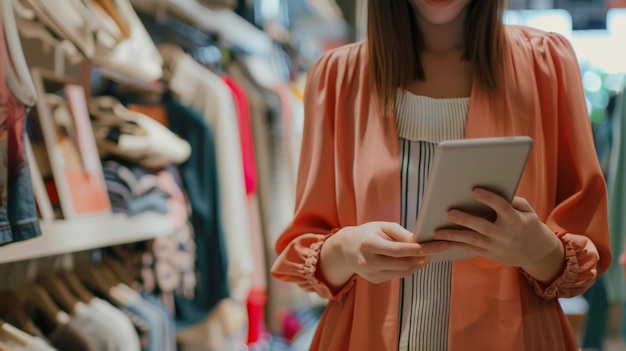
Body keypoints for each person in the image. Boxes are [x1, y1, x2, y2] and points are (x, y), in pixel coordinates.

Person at [270, 0, 612, 350]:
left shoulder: (547, 64)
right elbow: (304, 246)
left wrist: (537, 251)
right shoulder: (337, 76)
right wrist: (347, 250)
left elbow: (587, 254)